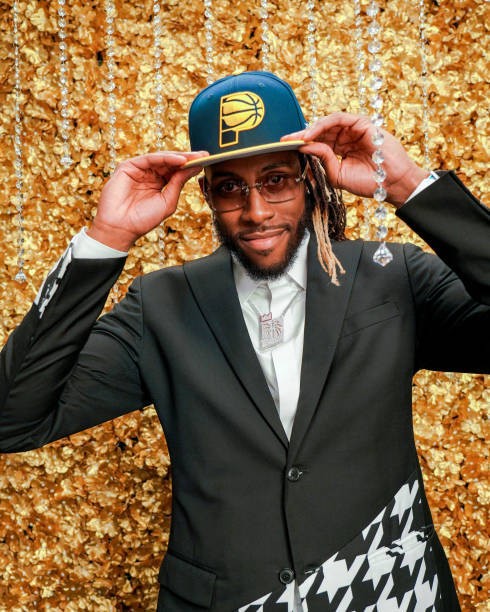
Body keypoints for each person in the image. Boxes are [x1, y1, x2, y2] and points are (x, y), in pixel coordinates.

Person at [0, 71, 488, 611]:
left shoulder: (392, 276)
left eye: (276, 180)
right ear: (205, 194)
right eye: (231, 187)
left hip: (392, 592)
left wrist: (408, 185)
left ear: (309, 178)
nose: (256, 212)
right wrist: (106, 237)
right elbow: (12, 418)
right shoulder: (160, 306)